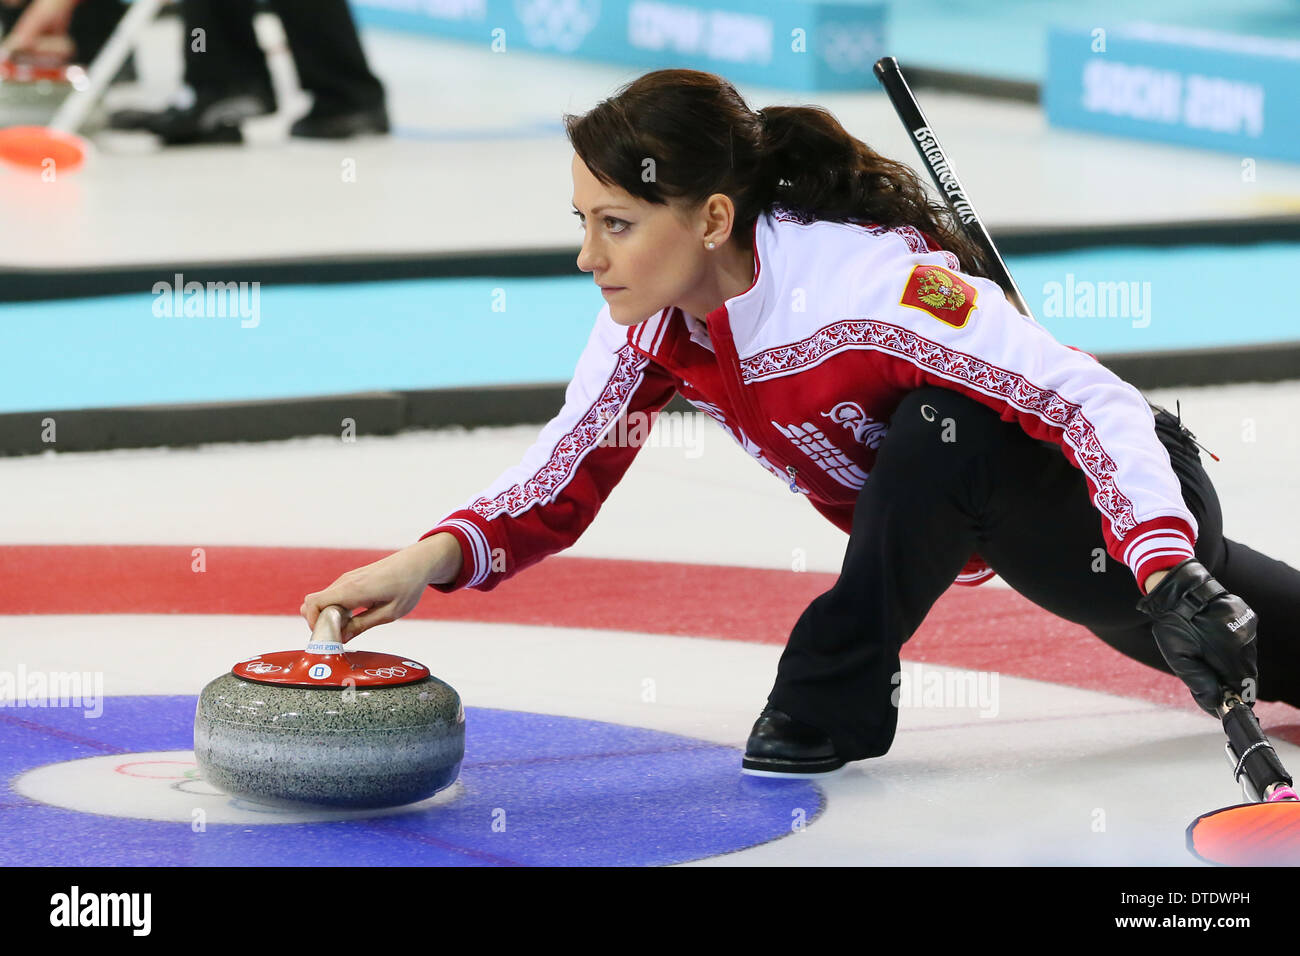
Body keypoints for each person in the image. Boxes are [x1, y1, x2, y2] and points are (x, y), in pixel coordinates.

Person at [300, 69, 1300, 789]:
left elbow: (1093, 403)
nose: (586, 255)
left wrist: (1168, 570)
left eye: (614, 223)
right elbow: (564, 467)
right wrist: (424, 560)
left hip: (1121, 514)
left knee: (943, 419)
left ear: (709, 217)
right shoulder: (653, 321)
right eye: (582, 220)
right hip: (1044, 556)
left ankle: (827, 699)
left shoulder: (871, 286)